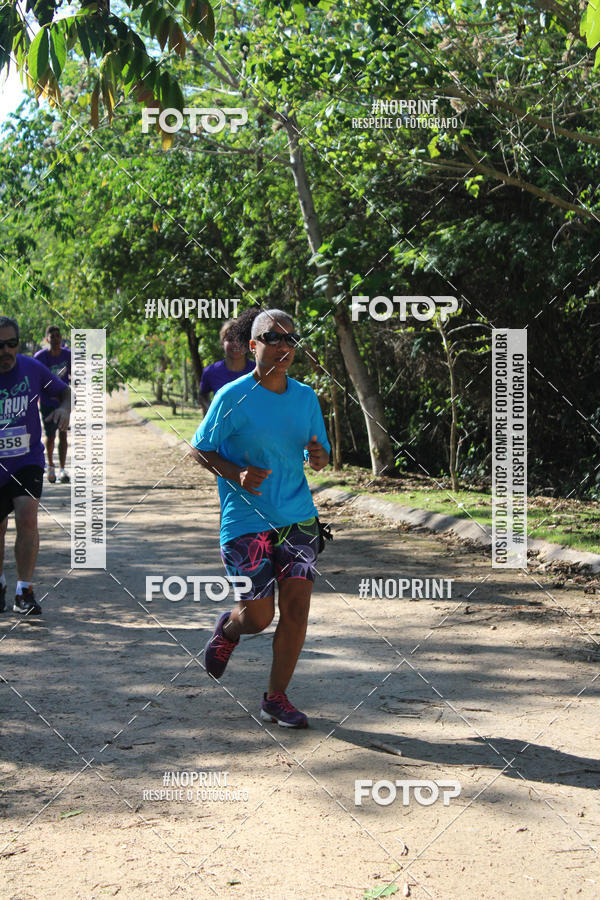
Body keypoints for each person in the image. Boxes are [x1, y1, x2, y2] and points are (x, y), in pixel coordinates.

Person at [191, 308, 330, 728]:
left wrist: (320, 456)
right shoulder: (232, 397)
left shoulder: (305, 397)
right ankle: (230, 630)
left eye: (291, 340)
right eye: (274, 338)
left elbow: (314, 452)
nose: (284, 347)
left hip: (298, 518)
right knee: (258, 616)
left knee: (297, 610)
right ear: (253, 345)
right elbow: (199, 449)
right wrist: (237, 474)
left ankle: (276, 697)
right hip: (245, 522)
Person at [0, 316, 71, 616]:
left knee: (27, 519)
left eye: (11, 344)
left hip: (27, 459)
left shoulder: (31, 368)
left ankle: (24, 590)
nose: (5, 351)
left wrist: (65, 408)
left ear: (18, 343)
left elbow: (64, 390)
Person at [34, 325, 72, 483]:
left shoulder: (67, 355)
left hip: (62, 403)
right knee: (50, 436)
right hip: (47, 402)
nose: (56, 339)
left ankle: (63, 469)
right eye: (52, 336)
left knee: (63, 434)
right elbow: (35, 379)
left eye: (58, 336)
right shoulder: (40, 357)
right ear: (47, 339)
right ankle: (51, 467)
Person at [198, 320, 255, 413]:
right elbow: (202, 395)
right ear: (222, 343)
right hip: (222, 426)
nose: (236, 344)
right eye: (230, 339)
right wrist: (212, 412)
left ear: (248, 344)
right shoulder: (210, 371)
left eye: (240, 339)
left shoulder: (258, 371)